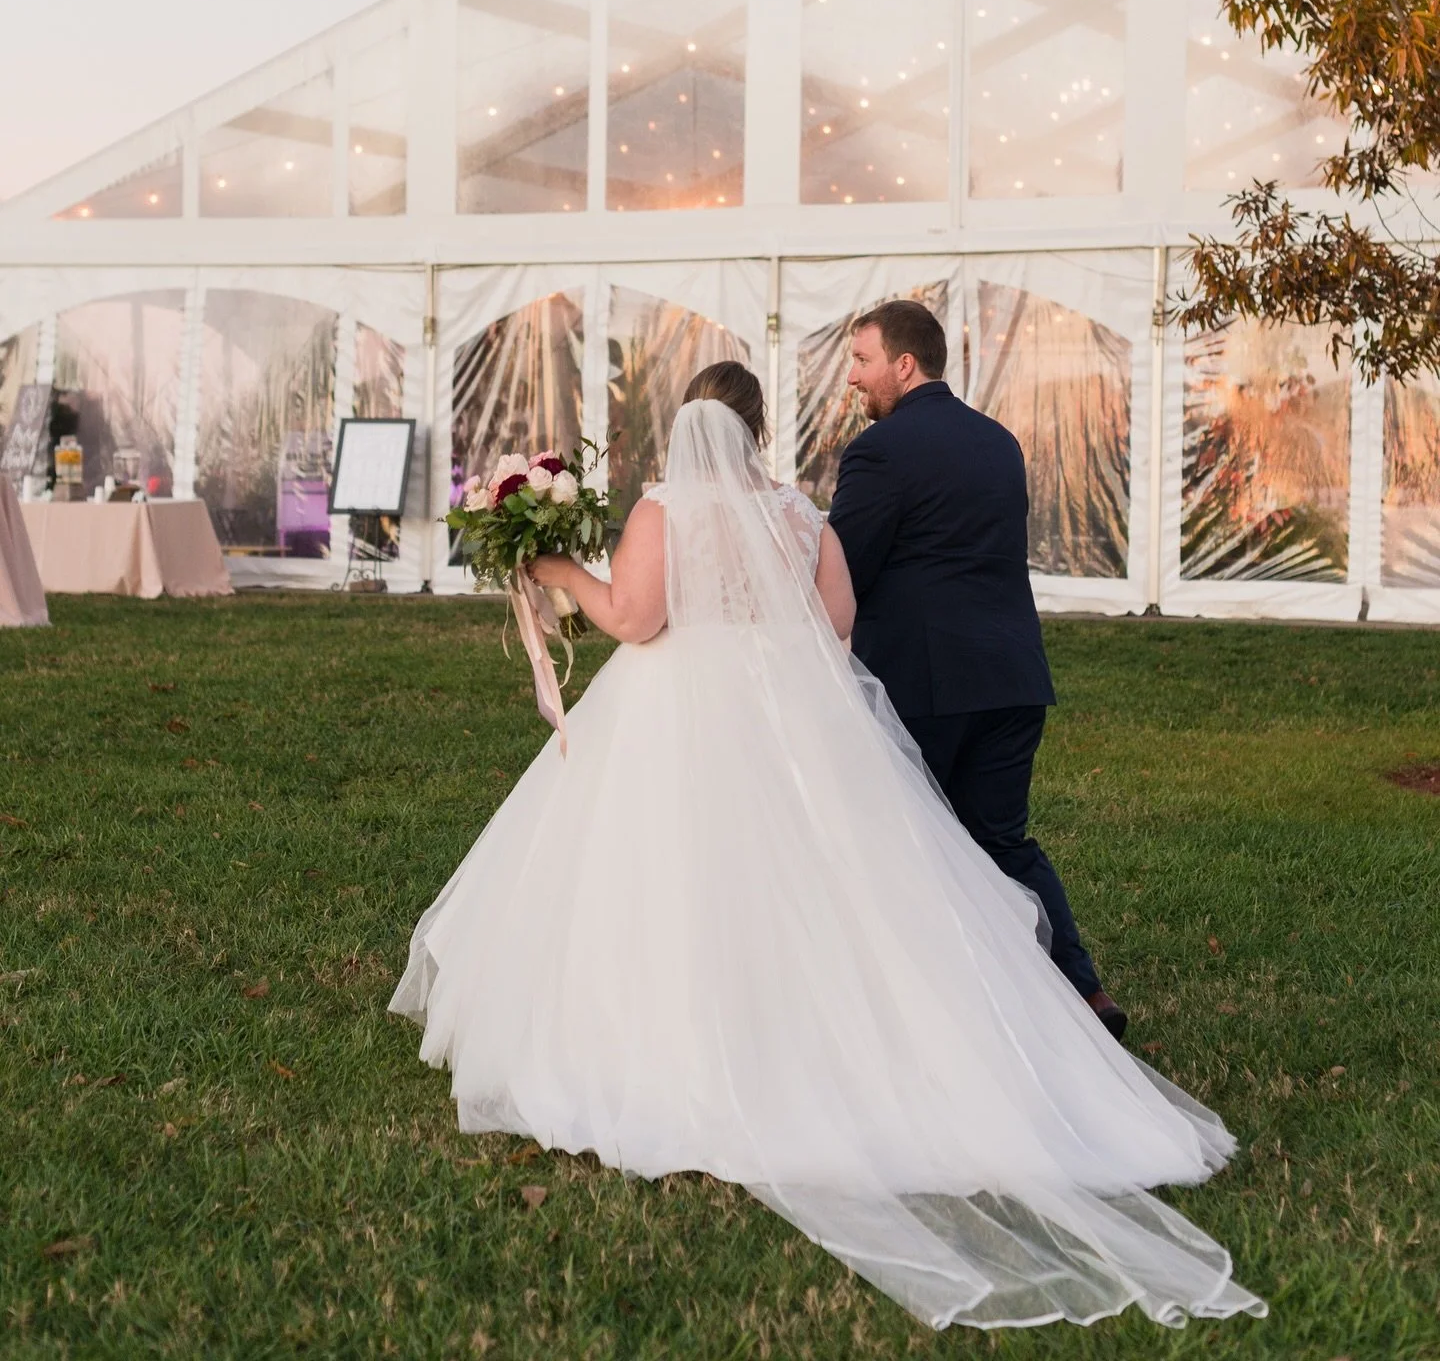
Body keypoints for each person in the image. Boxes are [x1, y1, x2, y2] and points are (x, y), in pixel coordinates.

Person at [390, 362, 1264, 1331]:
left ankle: (687, 1056)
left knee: (671, 885)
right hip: (794, 719)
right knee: (835, 894)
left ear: (686, 425)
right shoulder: (802, 517)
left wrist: (555, 571)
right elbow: (838, 630)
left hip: (674, 719)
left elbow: (636, 620)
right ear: (759, 427)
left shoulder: (663, 510)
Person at [826, 300, 1127, 1037]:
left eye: (862, 363)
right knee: (1000, 839)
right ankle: (1084, 995)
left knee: (908, 843)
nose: (854, 381)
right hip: (1012, 674)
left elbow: (844, 572)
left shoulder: (880, 452)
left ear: (904, 364)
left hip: (923, 684)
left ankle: (937, 1014)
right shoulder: (999, 443)